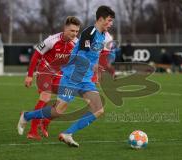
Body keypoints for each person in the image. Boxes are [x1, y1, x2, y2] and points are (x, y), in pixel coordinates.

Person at [17, 5, 115, 147]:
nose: (111, 24)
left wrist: (101, 71)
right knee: (57, 111)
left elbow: (102, 57)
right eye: (109, 20)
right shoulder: (89, 33)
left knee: (98, 109)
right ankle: (27, 116)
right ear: (101, 19)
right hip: (71, 78)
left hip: (85, 80)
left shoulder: (105, 36)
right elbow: (81, 56)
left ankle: (68, 133)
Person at [24, 16, 81, 140]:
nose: (74, 34)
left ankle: (45, 123)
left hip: (61, 74)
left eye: (77, 31)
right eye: (72, 30)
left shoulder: (76, 43)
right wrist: (29, 75)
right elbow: (36, 56)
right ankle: (32, 131)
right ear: (65, 29)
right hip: (45, 71)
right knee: (46, 96)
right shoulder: (51, 40)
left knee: (63, 103)